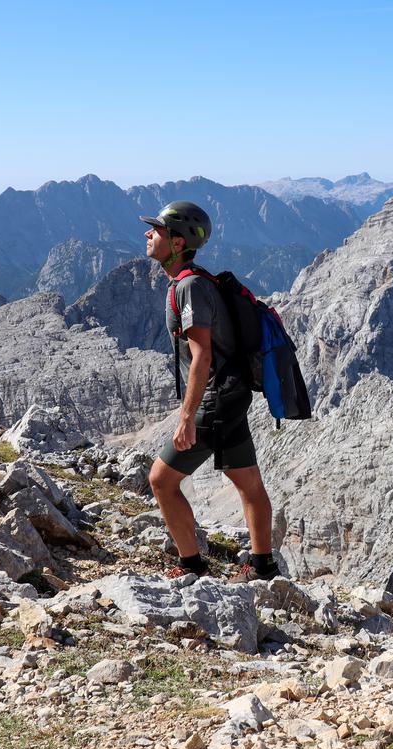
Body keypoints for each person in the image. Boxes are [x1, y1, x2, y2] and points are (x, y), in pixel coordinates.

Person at [142, 201, 281, 582]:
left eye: (156, 230)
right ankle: (262, 565)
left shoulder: (189, 286)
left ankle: (192, 567)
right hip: (232, 394)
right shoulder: (196, 280)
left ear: (178, 240)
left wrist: (187, 418)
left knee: (161, 481)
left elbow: (201, 355)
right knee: (248, 481)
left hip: (215, 401)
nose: (148, 234)